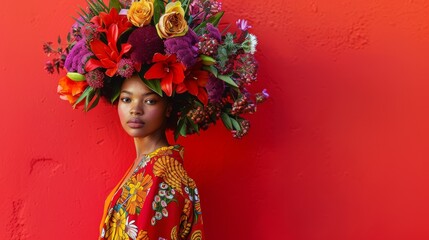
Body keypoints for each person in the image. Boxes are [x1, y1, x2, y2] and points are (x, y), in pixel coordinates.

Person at [98, 75, 204, 240]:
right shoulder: (145, 164)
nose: (135, 109)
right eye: (126, 99)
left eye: (150, 101)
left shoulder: (162, 171)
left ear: (168, 108)